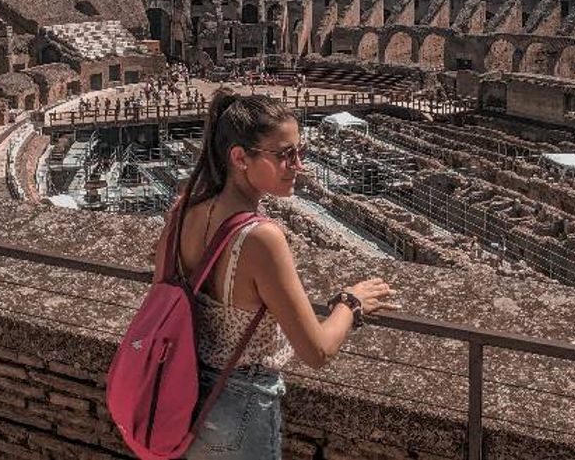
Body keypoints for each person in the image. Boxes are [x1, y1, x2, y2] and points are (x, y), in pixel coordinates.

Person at [153, 90, 395, 459]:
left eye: (300, 152)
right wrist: (351, 302)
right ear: (239, 158)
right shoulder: (261, 238)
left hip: (180, 397)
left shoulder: (181, 210)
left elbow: (161, 299)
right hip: (239, 408)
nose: (299, 164)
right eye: (285, 155)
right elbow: (317, 350)